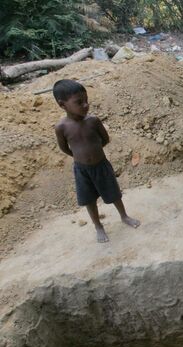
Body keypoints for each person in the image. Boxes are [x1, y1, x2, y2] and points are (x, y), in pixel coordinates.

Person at [53, 79, 140, 243]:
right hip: (82, 170)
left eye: (86, 100)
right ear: (62, 105)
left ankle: (124, 216)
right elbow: (64, 148)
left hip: (101, 166)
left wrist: (94, 152)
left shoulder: (93, 121)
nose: (86, 105)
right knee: (89, 199)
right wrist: (78, 156)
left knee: (113, 193)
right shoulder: (61, 127)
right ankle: (98, 226)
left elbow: (105, 139)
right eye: (79, 102)